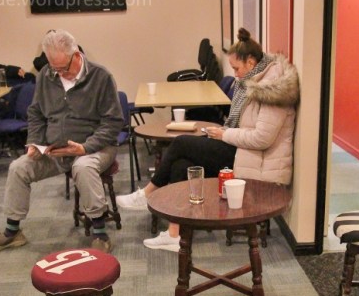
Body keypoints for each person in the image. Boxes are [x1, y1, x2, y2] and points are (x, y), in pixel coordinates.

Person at [116, 28, 299, 252]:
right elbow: (244, 126)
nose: (235, 75)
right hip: (242, 151)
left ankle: (147, 193)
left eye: (237, 68)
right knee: (181, 165)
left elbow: (262, 139)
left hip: (255, 162)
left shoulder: (272, 92)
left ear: (251, 62)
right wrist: (223, 132)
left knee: (181, 143)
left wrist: (224, 134)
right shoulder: (252, 82)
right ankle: (174, 235)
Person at [0, 29, 123, 254]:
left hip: (95, 147)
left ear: (77, 55)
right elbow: (35, 113)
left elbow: (113, 123)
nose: (59, 74)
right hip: (56, 148)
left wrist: (85, 147)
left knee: (83, 167)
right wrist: (34, 142)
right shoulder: (46, 74)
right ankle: (12, 232)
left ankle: (100, 233)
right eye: (55, 69)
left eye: (63, 68)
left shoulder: (101, 77)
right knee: (18, 167)